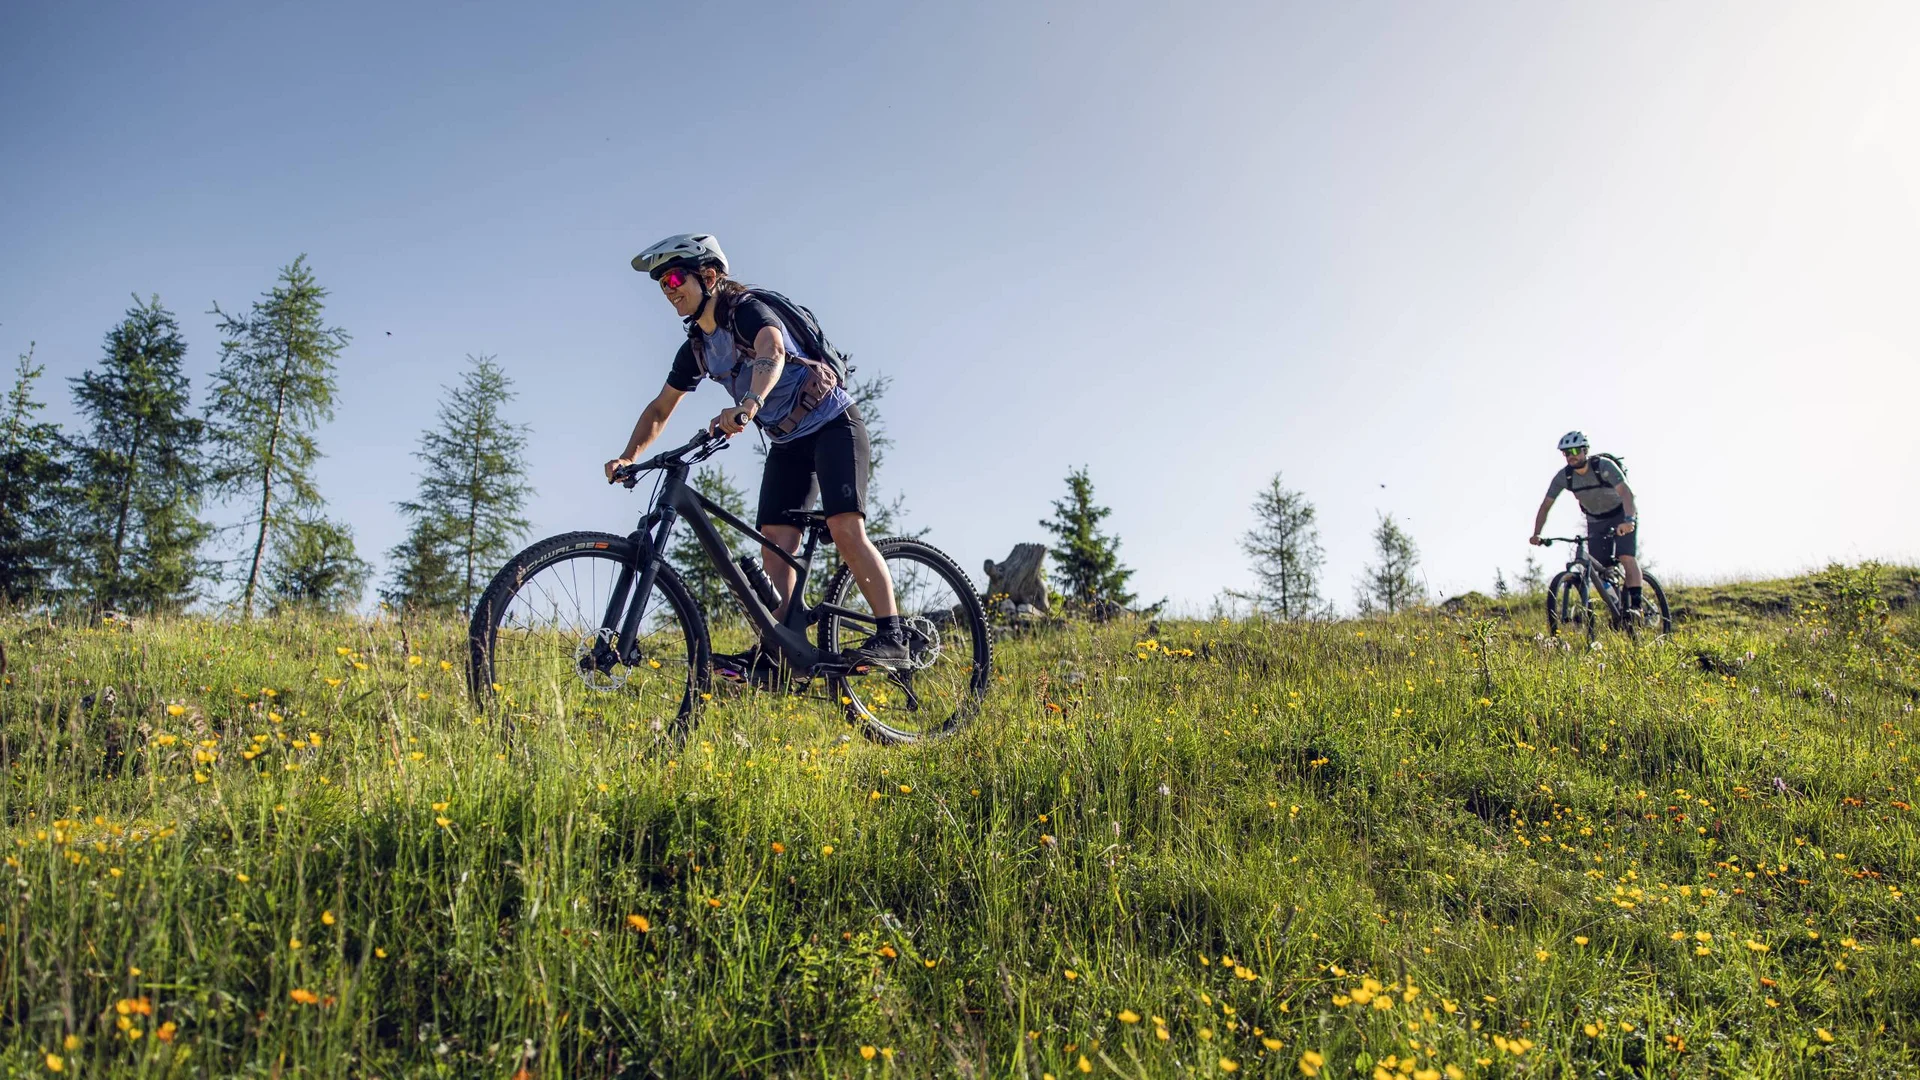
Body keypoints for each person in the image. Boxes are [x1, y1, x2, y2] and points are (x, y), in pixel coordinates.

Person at [604, 233, 908, 672]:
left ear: (708, 275)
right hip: (788, 442)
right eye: (661, 284)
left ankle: (892, 636)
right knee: (775, 548)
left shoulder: (745, 311)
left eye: (674, 277)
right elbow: (660, 408)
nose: (669, 290)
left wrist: (749, 404)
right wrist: (629, 456)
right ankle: (778, 655)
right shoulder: (697, 347)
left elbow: (773, 348)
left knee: (844, 528)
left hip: (833, 424)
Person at [1530, 430, 1643, 609]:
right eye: (1567, 453)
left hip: (1621, 514)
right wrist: (1537, 533)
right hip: (1595, 520)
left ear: (1585, 451)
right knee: (1601, 569)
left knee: (1626, 557)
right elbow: (1545, 506)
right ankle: (1618, 607)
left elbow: (1627, 494)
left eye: (1575, 451)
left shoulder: (1604, 466)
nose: (1571, 456)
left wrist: (1629, 520)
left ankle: (1637, 608)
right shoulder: (1564, 477)